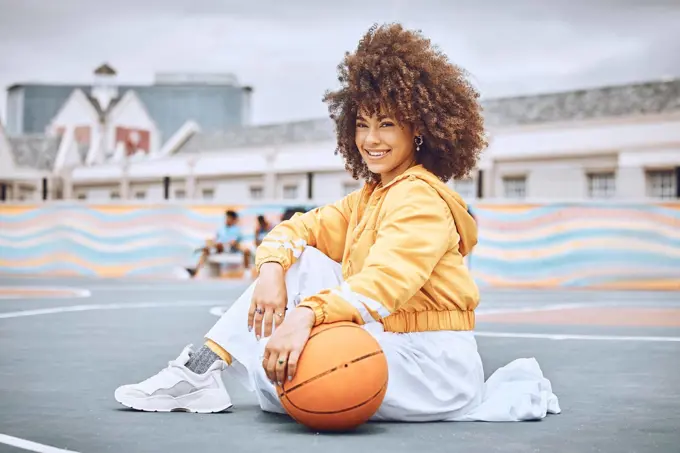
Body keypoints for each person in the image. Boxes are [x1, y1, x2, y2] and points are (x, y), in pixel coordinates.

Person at [115, 23, 560, 422]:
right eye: (362, 124)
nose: (370, 139)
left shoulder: (420, 199)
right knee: (301, 266)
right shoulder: (371, 197)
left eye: (387, 124)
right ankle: (203, 370)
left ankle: (202, 377)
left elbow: (384, 283)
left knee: (286, 376)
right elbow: (295, 230)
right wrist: (271, 271)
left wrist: (306, 313)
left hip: (432, 367)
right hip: (394, 345)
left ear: (419, 130)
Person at [186, 210, 251, 278]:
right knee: (206, 250)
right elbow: (216, 239)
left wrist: (222, 244)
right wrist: (211, 242)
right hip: (219, 248)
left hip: (230, 248)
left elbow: (233, 242)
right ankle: (196, 270)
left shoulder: (237, 230)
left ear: (233, 219)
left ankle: (247, 271)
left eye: (228, 218)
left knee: (219, 245)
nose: (226, 219)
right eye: (226, 218)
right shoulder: (221, 229)